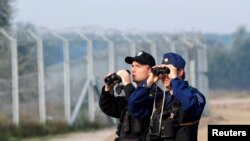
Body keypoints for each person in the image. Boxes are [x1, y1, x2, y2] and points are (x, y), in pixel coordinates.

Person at [128, 52, 206, 141]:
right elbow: (134, 106)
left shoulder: (195, 95)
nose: (165, 76)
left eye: (167, 71)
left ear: (180, 72)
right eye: (163, 71)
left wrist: (174, 78)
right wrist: (148, 83)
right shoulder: (160, 99)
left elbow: (190, 104)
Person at [99, 51, 160, 141]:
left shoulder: (156, 95)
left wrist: (127, 84)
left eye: (138, 66)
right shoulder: (133, 94)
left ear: (150, 71)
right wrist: (108, 88)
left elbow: (135, 104)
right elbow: (108, 107)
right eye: (132, 66)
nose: (133, 70)